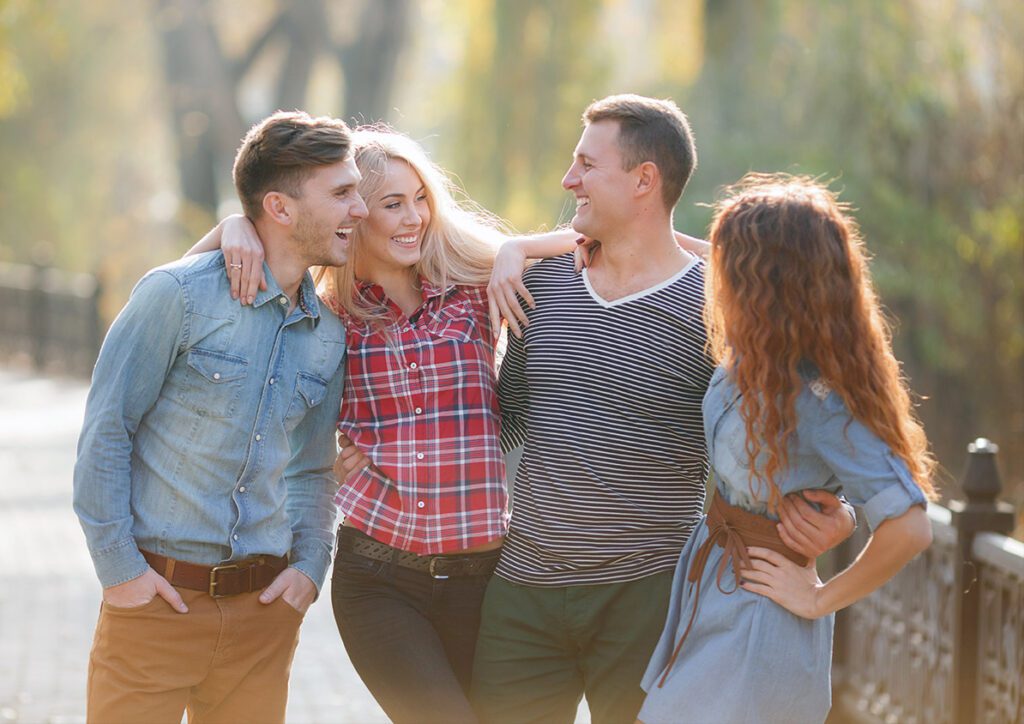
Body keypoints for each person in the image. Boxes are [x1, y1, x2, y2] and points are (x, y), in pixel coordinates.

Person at [190, 125, 637, 723]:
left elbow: (620, 239)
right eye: (392, 204)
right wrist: (233, 228)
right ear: (353, 215)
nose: (414, 218)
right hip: (379, 578)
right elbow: (183, 293)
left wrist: (517, 249)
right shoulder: (325, 319)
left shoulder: (476, 288)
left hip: (487, 578)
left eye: (420, 198)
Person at [470, 95, 857, 724]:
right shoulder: (537, 283)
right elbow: (507, 417)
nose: (569, 180)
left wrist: (836, 513)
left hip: (651, 598)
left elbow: (794, 425)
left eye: (586, 165)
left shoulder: (719, 307)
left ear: (644, 180)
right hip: (523, 593)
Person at [72, 110, 364, 724]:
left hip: (262, 617)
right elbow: (107, 430)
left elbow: (313, 470)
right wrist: (120, 571)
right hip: (155, 605)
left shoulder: (330, 336)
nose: (359, 209)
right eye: (342, 193)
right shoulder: (175, 296)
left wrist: (311, 566)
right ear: (280, 208)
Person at [637, 173, 936, 724]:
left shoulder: (818, 394)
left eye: (731, 266)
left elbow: (911, 526)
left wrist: (821, 598)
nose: (715, 278)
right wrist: (524, 250)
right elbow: (660, 243)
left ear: (765, 282)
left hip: (762, 618)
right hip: (711, 593)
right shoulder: (757, 353)